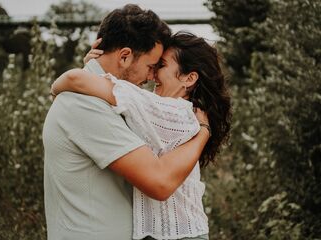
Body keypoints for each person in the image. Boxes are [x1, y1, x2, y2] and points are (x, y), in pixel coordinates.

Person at [42, 4, 210, 240]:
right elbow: (159, 181)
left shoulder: (108, 100)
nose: (152, 77)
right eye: (152, 66)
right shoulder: (85, 104)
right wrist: (204, 131)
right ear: (124, 56)